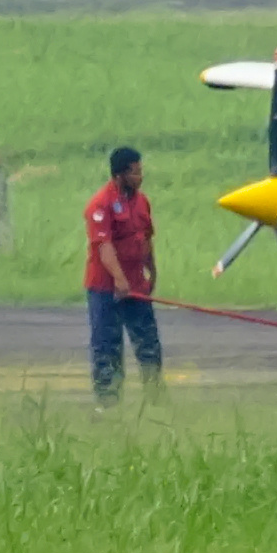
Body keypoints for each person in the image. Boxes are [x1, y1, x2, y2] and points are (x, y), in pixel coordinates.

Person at [84, 146, 162, 407]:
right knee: (108, 347)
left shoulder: (142, 201)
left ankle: (155, 400)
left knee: (148, 343)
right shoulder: (100, 204)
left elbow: (146, 238)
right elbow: (103, 246)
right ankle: (108, 404)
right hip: (107, 290)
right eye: (136, 172)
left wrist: (152, 269)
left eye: (141, 171)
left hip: (136, 287)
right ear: (120, 175)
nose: (141, 177)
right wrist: (119, 280)